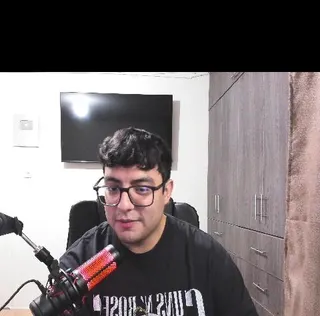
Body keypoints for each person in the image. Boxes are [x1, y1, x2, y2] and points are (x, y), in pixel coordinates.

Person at [60, 127, 256, 316]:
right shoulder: (81, 261)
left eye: (142, 189)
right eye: (113, 188)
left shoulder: (208, 257)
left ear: (166, 192)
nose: (124, 205)